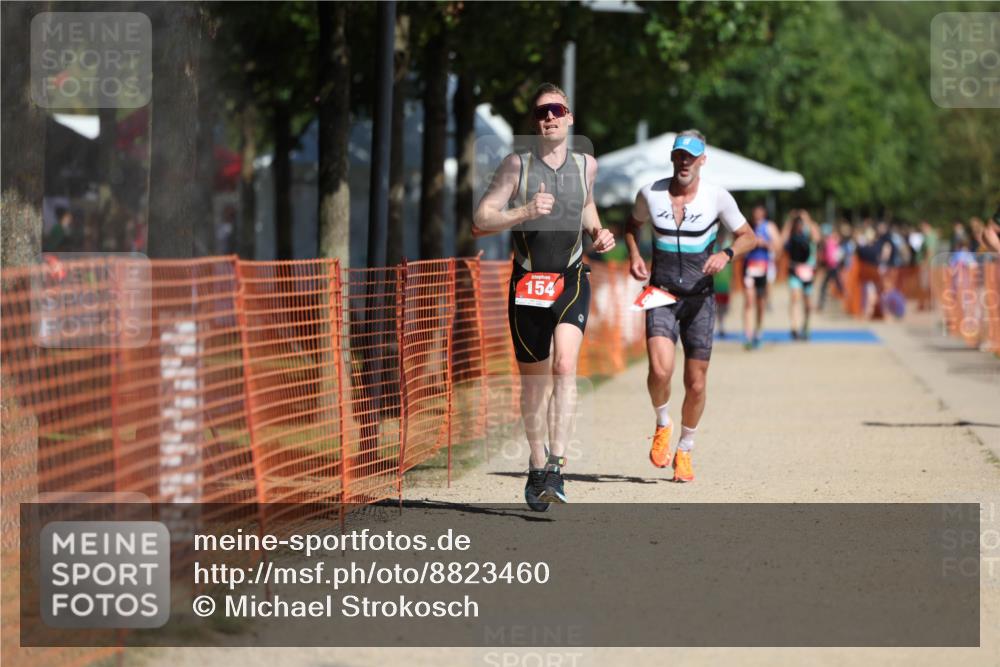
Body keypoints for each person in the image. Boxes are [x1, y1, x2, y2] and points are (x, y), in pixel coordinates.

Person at [473, 83, 615, 510]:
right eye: (541, 112)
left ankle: (557, 465)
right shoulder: (516, 165)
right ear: (535, 123)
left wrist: (598, 232)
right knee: (534, 384)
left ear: (569, 117)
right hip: (528, 282)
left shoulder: (587, 165)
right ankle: (536, 465)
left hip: (571, 278)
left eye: (556, 109)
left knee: (566, 366)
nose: (549, 117)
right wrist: (525, 211)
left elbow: (586, 205)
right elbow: (481, 219)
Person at [624, 130, 756, 483]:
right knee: (660, 370)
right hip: (661, 293)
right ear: (672, 157)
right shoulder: (650, 193)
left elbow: (749, 236)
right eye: (680, 155)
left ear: (702, 161)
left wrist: (726, 254)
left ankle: (685, 448)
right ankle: (663, 422)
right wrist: (635, 255)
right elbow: (632, 225)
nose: (684, 162)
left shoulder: (717, 197)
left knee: (695, 384)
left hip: (700, 298)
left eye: (691, 156)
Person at [740, 204, 780, 349]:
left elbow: (778, 247)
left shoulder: (769, 227)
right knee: (749, 300)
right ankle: (748, 335)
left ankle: (758, 331)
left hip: (763, 268)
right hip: (749, 267)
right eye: (755, 212)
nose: (757, 215)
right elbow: (738, 246)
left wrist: (766, 243)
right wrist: (751, 244)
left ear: (764, 213)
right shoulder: (746, 226)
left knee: (760, 303)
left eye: (760, 212)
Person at [781, 209, 821, 339]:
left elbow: (817, 237)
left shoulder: (809, 233)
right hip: (795, 269)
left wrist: (807, 219)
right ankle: (794, 327)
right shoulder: (792, 234)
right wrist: (789, 220)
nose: (800, 225)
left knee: (807, 302)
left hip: (808, 271)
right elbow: (782, 240)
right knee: (795, 297)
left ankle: (806, 325)